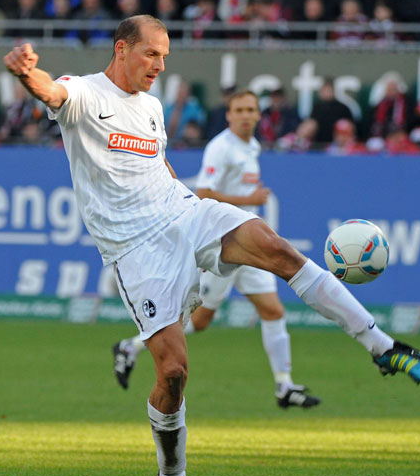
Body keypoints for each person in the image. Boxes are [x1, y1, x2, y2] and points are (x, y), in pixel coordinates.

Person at [3, 15, 420, 476]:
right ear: (121, 49)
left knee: (279, 249)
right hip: (135, 250)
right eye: (151, 54)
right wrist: (26, 74)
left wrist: (184, 195)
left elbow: (158, 164)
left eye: (165, 56)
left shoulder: (150, 107)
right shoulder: (82, 93)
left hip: (184, 211)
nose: (160, 65)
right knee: (173, 373)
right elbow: (49, 94)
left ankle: (382, 346)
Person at [112, 90, 320, 409]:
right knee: (196, 319)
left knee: (273, 311)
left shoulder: (250, 146)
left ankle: (284, 386)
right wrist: (247, 202)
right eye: (240, 109)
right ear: (229, 114)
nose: (247, 115)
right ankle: (131, 346)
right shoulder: (220, 148)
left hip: (249, 243)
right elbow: (205, 192)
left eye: (252, 109)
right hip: (222, 244)